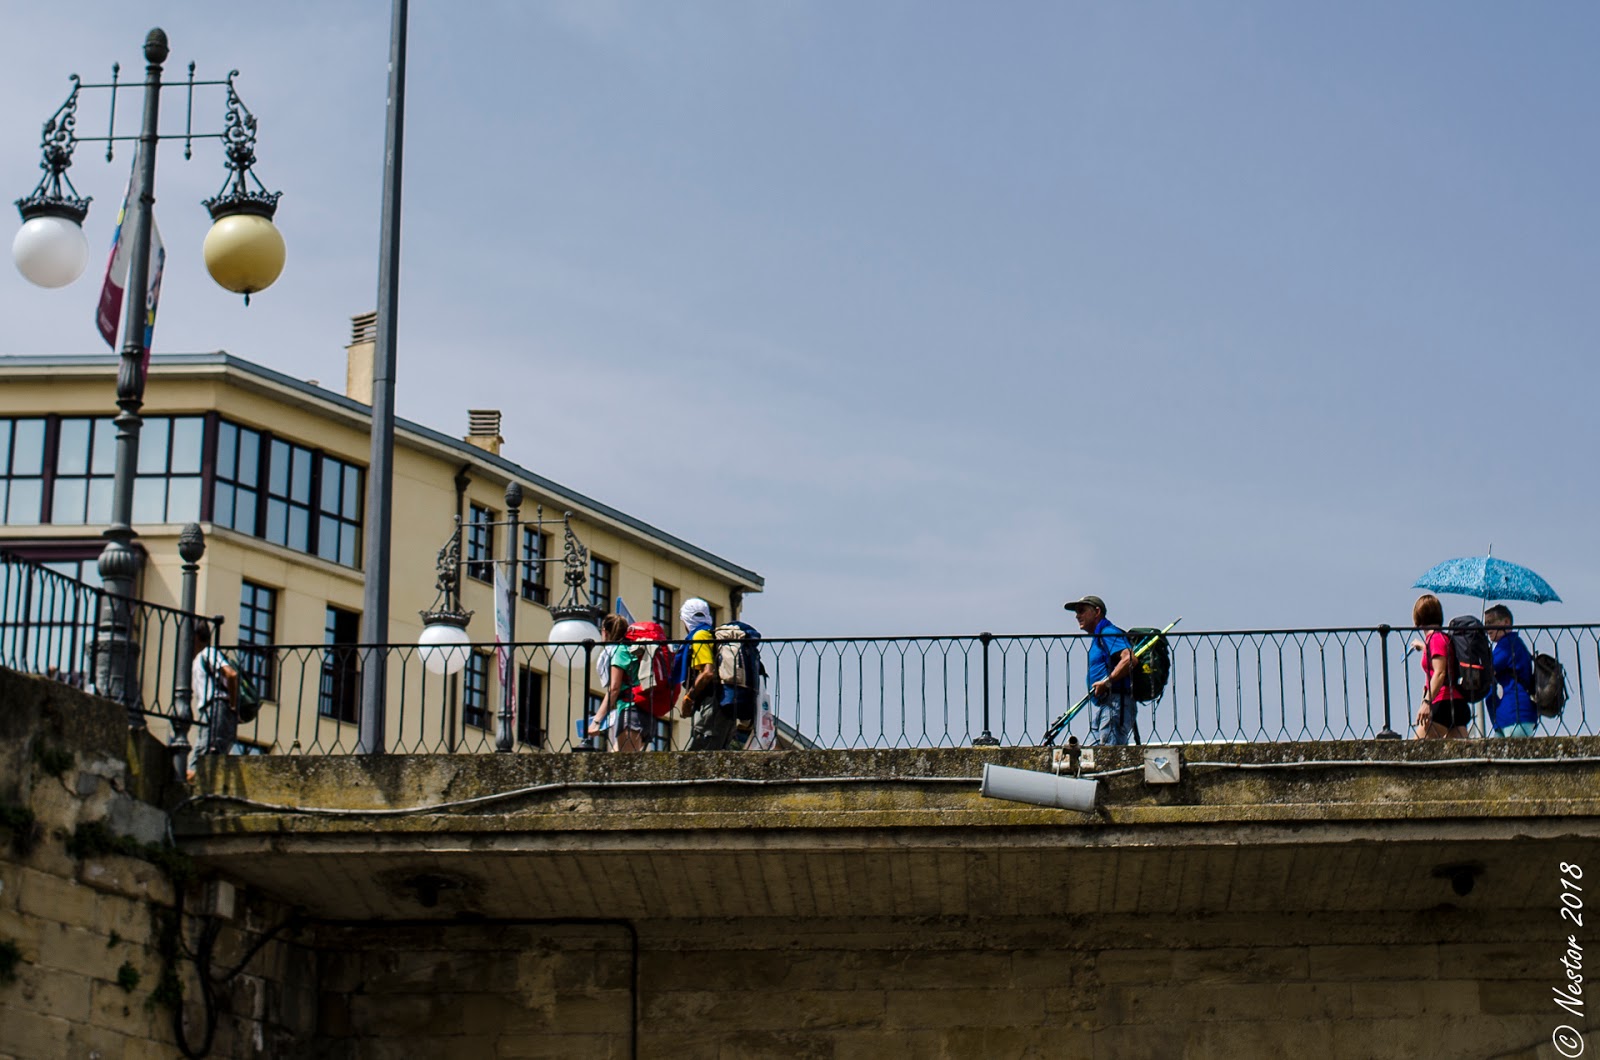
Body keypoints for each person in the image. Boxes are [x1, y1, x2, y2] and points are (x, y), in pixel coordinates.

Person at [674, 597, 749, 751]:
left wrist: (689, 697)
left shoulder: (699, 636)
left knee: (698, 754)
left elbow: (707, 672)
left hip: (712, 704)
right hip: (722, 703)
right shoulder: (710, 634)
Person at [1064, 595, 1136, 746]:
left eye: (1082, 611)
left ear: (1097, 612)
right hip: (1107, 705)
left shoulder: (1108, 632)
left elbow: (1129, 659)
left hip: (1115, 703)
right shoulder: (1100, 636)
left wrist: (1107, 682)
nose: (1077, 616)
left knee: (1109, 754)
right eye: (1077, 612)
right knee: (1093, 755)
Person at [1408, 593, 1469, 739]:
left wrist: (1426, 702)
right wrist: (1423, 647)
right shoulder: (1440, 638)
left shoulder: (1435, 639)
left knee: (1415, 752)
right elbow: (1441, 658)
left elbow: (1440, 672)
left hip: (1443, 703)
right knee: (1458, 757)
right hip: (1455, 702)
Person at [587, 614, 651, 753]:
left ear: (605, 632)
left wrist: (596, 722)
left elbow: (614, 689)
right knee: (617, 761)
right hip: (645, 712)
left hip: (631, 711)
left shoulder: (621, 651)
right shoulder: (633, 649)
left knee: (626, 767)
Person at [189, 621, 238, 779]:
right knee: (201, 756)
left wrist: (232, 704)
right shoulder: (198, 659)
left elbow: (231, 674)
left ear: (196, 637)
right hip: (210, 710)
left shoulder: (208, 653)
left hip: (216, 707)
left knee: (205, 756)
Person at [1484, 604, 1538, 738]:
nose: (1487, 629)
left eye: (1490, 623)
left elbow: (1488, 670)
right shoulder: (1513, 643)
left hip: (1515, 713)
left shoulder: (1507, 644)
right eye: (1485, 625)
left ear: (1506, 622)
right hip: (1508, 716)